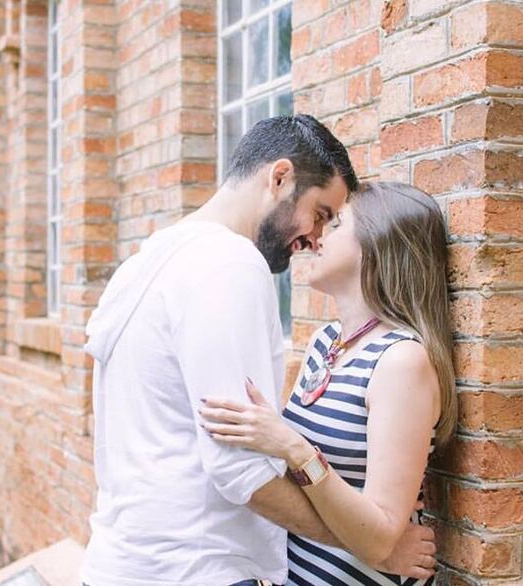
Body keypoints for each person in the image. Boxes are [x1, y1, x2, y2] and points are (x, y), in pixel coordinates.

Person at [81, 116, 437, 586]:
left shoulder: (145, 261)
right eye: (320, 212)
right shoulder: (229, 264)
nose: (315, 237)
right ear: (280, 178)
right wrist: (374, 547)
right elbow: (238, 469)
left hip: (119, 563)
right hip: (191, 570)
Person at [199, 181, 456, 585]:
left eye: (336, 225)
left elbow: (382, 538)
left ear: (377, 244)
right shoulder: (325, 342)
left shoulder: (401, 361)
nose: (317, 237)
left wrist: (291, 445)